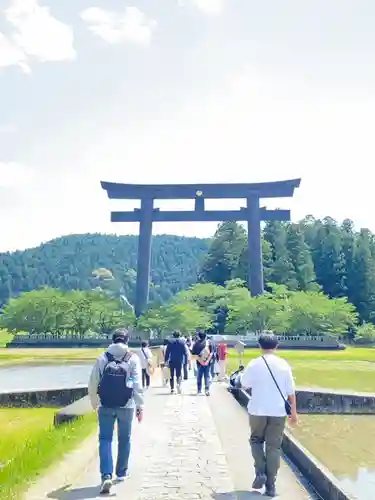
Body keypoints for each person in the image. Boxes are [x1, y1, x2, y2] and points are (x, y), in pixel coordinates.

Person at [241, 332, 298, 498]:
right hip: (278, 412)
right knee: (274, 447)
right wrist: (293, 413)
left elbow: (244, 384)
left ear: (259, 346)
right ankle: (271, 485)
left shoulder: (254, 364)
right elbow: (291, 392)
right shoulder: (283, 365)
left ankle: (260, 472)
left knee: (256, 440)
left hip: (257, 410)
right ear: (276, 345)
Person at [88, 328, 144, 495]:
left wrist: (94, 402)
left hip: (105, 405)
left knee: (105, 439)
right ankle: (121, 472)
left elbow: (93, 382)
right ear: (127, 341)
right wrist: (140, 405)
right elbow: (136, 384)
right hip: (126, 405)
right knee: (124, 439)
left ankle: (106, 475)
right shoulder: (133, 358)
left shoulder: (103, 357)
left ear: (112, 340)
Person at [191, 331, 213, 396]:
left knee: (199, 377)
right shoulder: (209, 343)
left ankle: (199, 390)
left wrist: (201, 361)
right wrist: (207, 361)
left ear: (198, 336)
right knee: (207, 377)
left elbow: (194, 354)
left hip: (199, 363)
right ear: (205, 336)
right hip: (207, 363)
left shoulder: (196, 344)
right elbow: (211, 353)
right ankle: (207, 390)